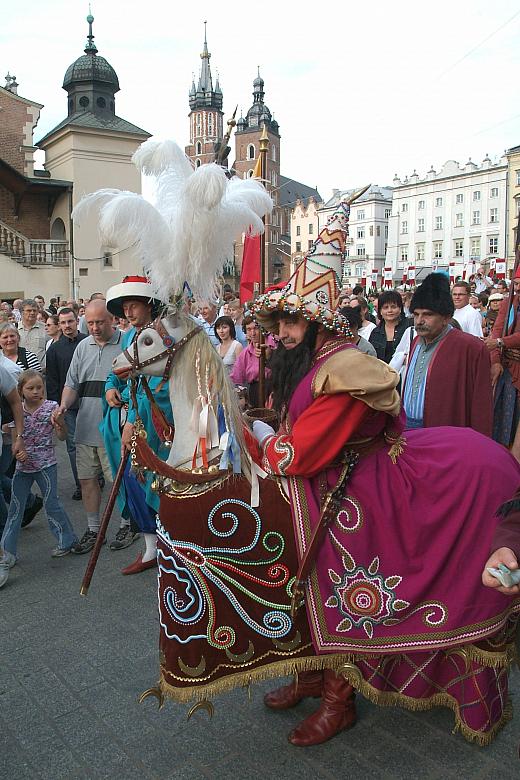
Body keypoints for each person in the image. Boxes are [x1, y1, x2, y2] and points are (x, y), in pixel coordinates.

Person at [249, 204, 520, 746]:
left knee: (337, 583)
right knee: (301, 582)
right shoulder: (311, 362)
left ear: (318, 323)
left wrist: (256, 438)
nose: (282, 333)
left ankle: (339, 700)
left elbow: (299, 453)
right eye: (278, 323)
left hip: (361, 486)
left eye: (292, 322)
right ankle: (309, 676)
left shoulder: (344, 369)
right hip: (327, 484)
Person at [103, 276, 173, 574]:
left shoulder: (163, 333)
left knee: (160, 482)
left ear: (148, 305)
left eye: (133, 306)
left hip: (159, 423)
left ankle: (172, 544)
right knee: (134, 480)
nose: (128, 313)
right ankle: (151, 547)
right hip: (134, 418)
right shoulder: (131, 336)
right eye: (124, 308)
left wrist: (133, 420)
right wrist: (110, 386)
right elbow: (118, 370)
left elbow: (160, 385)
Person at [53, 300, 128, 554]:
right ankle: (94, 530)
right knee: (87, 480)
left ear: (112, 319)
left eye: (100, 322)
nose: (94, 328)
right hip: (85, 425)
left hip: (113, 429)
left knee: (119, 482)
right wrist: (63, 406)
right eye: (91, 323)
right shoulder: (83, 346)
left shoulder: (126, 343)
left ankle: (127, 525)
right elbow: (72, 384)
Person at [0, 370, 78, 588]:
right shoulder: (17, 411)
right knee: (15, 509)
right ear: (20, 391)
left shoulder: (51, 407)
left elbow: (61, 436)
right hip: (23, 468)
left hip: (46, 465)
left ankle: (67, 539)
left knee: (52, 504)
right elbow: (13, 440)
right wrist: (18, 452)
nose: (36, 392)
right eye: (31, 388)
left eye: (39, 387)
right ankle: (7, 553)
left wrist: (60, 424)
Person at [402, 273, 493, 433]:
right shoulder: (415, 341)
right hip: (407, 429)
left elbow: (482, 406)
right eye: (416, 314)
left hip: (444, 433)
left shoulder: (471, 347)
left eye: (427, 314)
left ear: (446, 318)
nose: (419, 321)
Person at [45, 308, 87, 499]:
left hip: (90, 402)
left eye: (70, 321)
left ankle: (97, 477)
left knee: (95, 442)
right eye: (63, 322)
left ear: (77, 321)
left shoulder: (88, 342)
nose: (67, 326)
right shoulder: (54, 349)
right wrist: (56, 408)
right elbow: (52, 381)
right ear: (59, 325)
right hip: (67, 406)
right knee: (72, 446)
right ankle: (81, 484)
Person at [487, 270, 520, 460]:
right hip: (508, 371)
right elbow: (496, 332)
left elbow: (498, 340)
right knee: (501, 428)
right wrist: (496, 361)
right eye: (516, 283)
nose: (518, 288)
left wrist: (501, 342)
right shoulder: (508, 303)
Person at [230, 315, 274, 407]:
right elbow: (236, 377)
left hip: (274, 390)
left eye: (256, 328)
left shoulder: (273, 345)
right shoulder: (245, 353)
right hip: (255, 393)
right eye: (249, 329)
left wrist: (270, 356)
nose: (253, 333)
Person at [368, 290, 412, 363]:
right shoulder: (375, 332)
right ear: (380, 311)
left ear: (400, 308)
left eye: (393, 307)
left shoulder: (410, 327)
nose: (390, 310)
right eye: (385, 307)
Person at [17, 299, 50, 365]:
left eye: (34, 310)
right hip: (19, 369)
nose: (32, 313)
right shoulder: (14, 328)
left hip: (40, 369)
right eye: (29, 310)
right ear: (22, 312)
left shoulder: (46, 328)